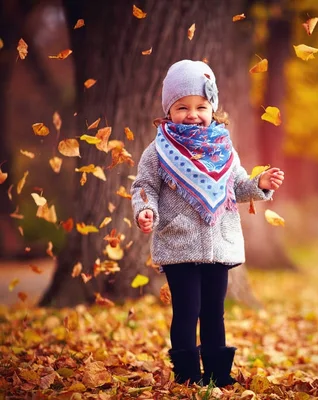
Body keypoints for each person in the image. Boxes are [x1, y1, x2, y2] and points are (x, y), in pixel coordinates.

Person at [130, 59, 285, 387]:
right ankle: (187, 376)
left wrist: (261, 183)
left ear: (213, 108)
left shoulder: (223, 148)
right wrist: (146, 211)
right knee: (186, 311)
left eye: (201, 106)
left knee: (214, 311)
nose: (193, 114)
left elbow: (238, 186)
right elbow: (145, 187)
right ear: (168, 111)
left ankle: (218, 375)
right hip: (179, 243)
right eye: (182, 107)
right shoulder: (158, 151)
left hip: (220, 245)